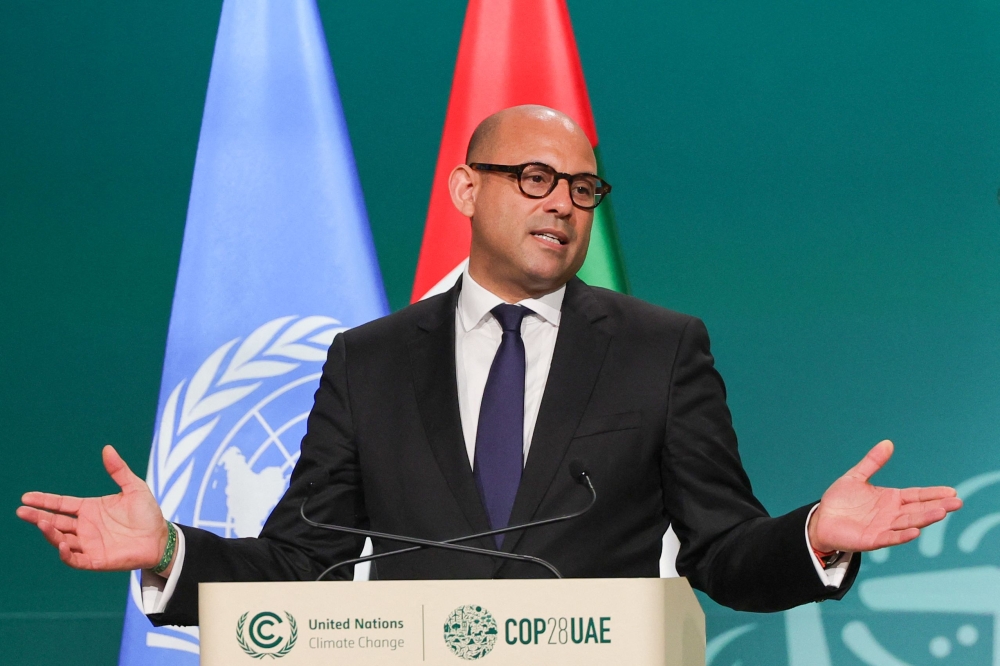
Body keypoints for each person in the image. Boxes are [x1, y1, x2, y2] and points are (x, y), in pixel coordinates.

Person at [17, 105, 962, 627]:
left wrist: (815, 537)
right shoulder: (370, 361)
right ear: (469, 188)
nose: (563, 206)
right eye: (535, 180)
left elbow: (719, 552)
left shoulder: (660, 348)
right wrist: (171, 551)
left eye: (583, 188)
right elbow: (304, 561)